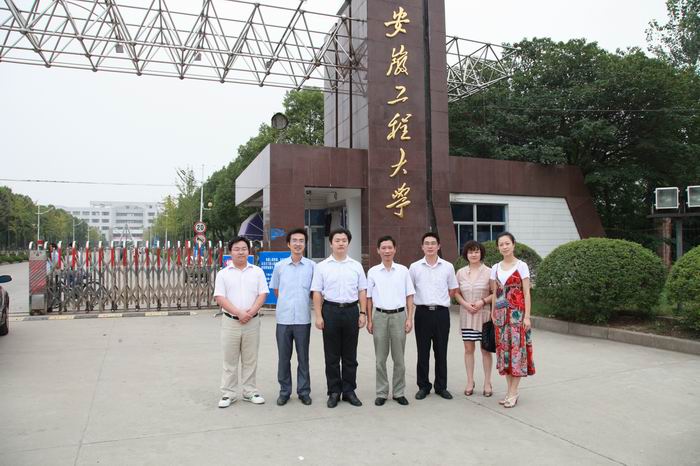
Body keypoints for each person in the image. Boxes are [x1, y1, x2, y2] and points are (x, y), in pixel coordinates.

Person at [311, 227, 367, 408]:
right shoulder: (322, 267)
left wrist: (363, 313)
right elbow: (317, 292)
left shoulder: (356, 266)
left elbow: (362, 291)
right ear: (331, 243)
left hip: (351, 311)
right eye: (337, 240)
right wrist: (318, 316)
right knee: (332, 355)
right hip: (330, 311)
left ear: (348, 243)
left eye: (344, 240)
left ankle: (349, 391)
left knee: (350, 355)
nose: (341, 243)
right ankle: (334, 391)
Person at [213, 236, 269, 408]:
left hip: (252, 321)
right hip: (230, 322)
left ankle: (250, 391)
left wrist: (250, 313)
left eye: (244, 249)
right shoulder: (223, 274)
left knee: (250, 359)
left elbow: (263, 294)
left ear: (249, 251)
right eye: (236, 249)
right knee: (229, 359)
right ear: (230, 252)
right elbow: (219, 297)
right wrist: (238, 313)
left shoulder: (257, 272)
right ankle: (228, 393)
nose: (240, 252)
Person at [409, 232, 459, 400]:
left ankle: (441, 386)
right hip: (422, 313)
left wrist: (441, 301)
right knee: (422, 352)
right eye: (427, 243)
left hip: (441, 314)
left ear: (439, 246)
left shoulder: (448, 267)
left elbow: (453, 289)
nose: (430, 246)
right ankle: (423, 386)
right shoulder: (414, 267)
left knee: (441, 351)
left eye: (433, 243)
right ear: (422, 247)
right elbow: (410, 291)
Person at [366, 235, 415, 406]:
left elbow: (410, 295)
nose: (387, 251)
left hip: (399, 316)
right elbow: (369, 298)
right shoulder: (373, 272)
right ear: (378, 250)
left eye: (390, 248)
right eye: (383, 248)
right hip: (379, 316)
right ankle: (381, 392)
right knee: (380, 359)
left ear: (395, 249)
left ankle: (399, 392)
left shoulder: (403, 270)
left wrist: (409, 318)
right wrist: (369, 319)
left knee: (399, 359)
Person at [270, 228, 315, 406]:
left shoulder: (312, 266)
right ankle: (284, 391)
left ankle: (304, 391)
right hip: (283, 319)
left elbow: (314, 292)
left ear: (305, 244)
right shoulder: (279, 266)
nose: (298, 244)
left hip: (303, 319)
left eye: (301, 240)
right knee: (284, 358)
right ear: (288, 244)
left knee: (303, 357)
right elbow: (276, 290)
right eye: (294, 240)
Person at [489, 232, 535, 408]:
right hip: (501, 317)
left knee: (517, 352)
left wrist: (527, 316)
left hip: (517, 316)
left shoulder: (522, 266)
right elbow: (495, 293)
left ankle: (514, 392)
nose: (504, 247)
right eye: (501, 244)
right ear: (498, 247)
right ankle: (510, 391)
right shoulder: (495, 267)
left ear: (513, 244)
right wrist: (493, 312)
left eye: (507, 243)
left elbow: (526, 293)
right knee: (505, 354)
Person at [454, 240, 494, 397]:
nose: (474, 254)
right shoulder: (460, 272)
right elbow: (456, 292)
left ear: (481, 253)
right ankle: (470, 381)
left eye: (476, 251)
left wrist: (482, 301)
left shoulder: (490, 272)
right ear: (466, 254)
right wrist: (465, 304)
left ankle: (487, 382)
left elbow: (495, 293)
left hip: (484, 317)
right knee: (468, 350)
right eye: (471, 252)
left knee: (485, 350)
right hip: (467, 316)